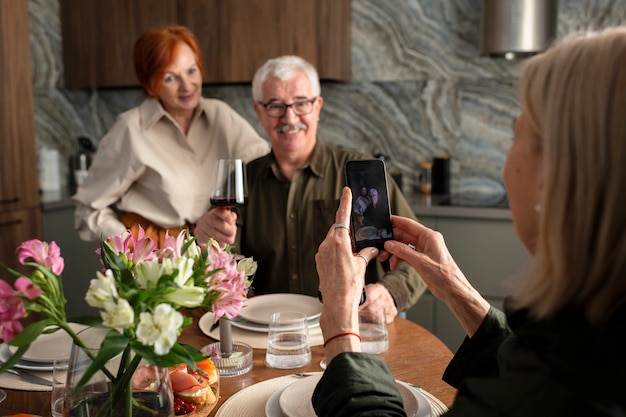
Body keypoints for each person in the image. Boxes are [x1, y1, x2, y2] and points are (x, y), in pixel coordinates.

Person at [312, 27, 626, 416]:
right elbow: (531, 369)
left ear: (555, 174)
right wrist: (455, 288)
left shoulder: (547, 394)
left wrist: (341, 326)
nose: (507, 162)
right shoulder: (594, 341)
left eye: (516, 135)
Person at [195, 55, 426, 322]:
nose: (289, 117)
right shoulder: (240, 181)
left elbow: (418, 252)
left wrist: (390, 293)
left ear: (318, 106)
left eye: (301, 103)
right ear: (259, 111)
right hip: (270, 337)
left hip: (355, 327)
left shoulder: (362, 173)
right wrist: (205, 245)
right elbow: (223, 270)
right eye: (275, 105)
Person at [73, 25, 269, 247]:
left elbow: (265, 165)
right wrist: (131, 247)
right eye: (170, 78)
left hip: (208, 248)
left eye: (192, 71)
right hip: (152, 256)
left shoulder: (220, 114)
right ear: (150, 84)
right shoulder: (130, 129)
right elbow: (88, 208)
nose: (187, 86)